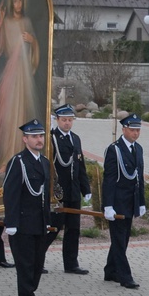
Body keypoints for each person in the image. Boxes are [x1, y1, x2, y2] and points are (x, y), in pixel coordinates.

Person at [0, 0, 41, 181]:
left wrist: (33, 41)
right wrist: (0, 21)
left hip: (23, 77)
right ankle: (7, 157)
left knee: (21, 114)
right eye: (15, 1)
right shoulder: (6, 22)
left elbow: (35, 52)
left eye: (20, 0)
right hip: (10, 74)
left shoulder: (26, 22)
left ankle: (20, 155)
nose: (18, 4)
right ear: (11, 2)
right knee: (8, 116)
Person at [3, 119, 51, 296]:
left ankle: (31, 293)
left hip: (39, 221)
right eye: (34, 137)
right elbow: (10, 193)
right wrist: (11, 222)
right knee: (25, 263)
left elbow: (44, 195)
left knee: (38, 262)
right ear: (25, 139)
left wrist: (47, 220)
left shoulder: (44, 162)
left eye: (40, 136)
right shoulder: (18, 162)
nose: (39, 140)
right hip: (23, 222)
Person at [44, 104, 91, 275]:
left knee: (74, 228)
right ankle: (37, 259)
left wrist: (86, 189)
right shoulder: (51, 139)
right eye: (64, 120)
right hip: (58, 192)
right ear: (57, 120)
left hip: (73, 191)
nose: (67, 123)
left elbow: (81, 166)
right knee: (54, 228)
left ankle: (71, 263)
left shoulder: (75, 139)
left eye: (70, 120)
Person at [102, 114, 146, 289]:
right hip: (117, 201)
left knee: (123, 238)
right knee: (119, 240)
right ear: (124, 129)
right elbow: (109, 179)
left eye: (138, 130)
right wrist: (108, 205)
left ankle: (110, 270)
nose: (136, 133)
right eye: (132, 130)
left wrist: (141, 202)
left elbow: (139, 178)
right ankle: (124, 276)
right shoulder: (115, 149)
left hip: (131, 201)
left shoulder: (138, 149)